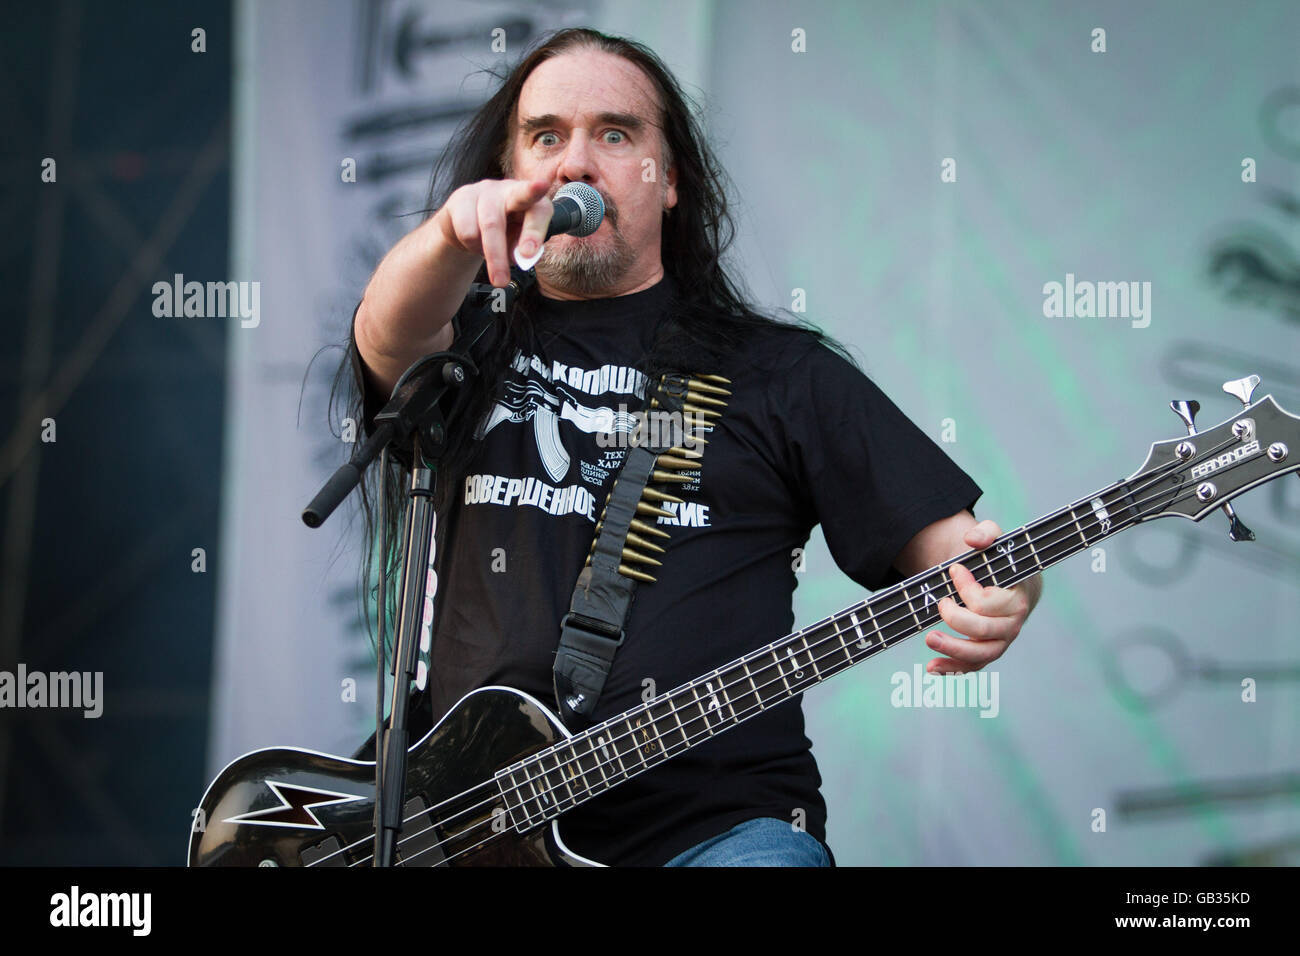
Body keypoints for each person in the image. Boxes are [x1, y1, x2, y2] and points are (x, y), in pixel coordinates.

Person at [345, 27, 1042, 866]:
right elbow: (388, 333)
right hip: (466, 833)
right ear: (506, 178)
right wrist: (451, 238)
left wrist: (1010, 590)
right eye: (545, 137)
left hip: (717, 833)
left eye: (615, 133)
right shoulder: (465, 352)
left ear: (668, 180)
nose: (574, 164)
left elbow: (965, 553)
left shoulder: (782, 374)